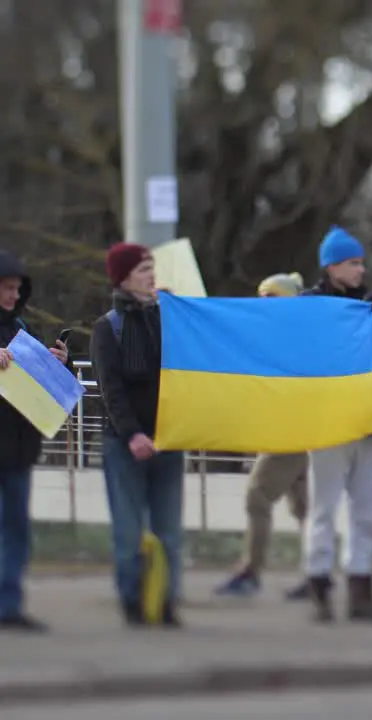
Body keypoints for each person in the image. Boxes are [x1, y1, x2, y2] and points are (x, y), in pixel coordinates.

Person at [299, 227, 372, 624]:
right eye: (353, 263)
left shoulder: (368, 307)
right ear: (332, 265)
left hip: (365, 424)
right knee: (324, 508)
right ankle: (319, 584)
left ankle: (361, 587)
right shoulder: (309, 305)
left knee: (365, 511)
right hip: (327, 423)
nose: (361, 269)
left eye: (360, 262)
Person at [90, 243, 186, 628]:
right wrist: (131, 435)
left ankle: (165, 603)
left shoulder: (166, 319)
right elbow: (110, 391)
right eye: (144, 268)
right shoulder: (107, 327)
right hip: (123, 444)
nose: (152, 275)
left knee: (169, 531)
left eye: (152, 268)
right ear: (124, 277)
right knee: (129, 533)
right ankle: (132, 602)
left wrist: (183, 315)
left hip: (168, 439)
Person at [215, 272, 311, 601]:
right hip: (296, 431)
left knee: (258, 495)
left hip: (291, 432)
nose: (262, 304)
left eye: (271, 298)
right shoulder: (282, 337)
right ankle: (317, 574)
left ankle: (251, 572)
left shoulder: (289, 339)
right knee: (306, 509)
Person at [0, 249, 70, 632]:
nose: (12, 295)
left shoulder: (20, 326)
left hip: (19, 447)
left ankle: (8, 606)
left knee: (15, 530)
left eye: (16, 288)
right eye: (6, 288)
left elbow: (37, 381)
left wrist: (59, 363)